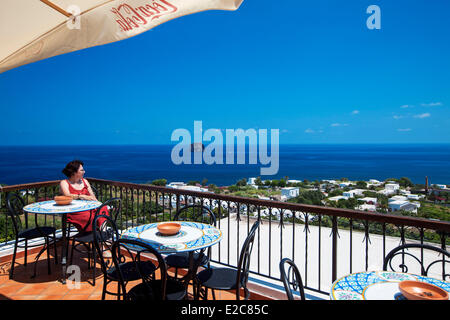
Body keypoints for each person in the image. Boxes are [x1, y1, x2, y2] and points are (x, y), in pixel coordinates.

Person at [60, 160, 107, 233]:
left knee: (103, 208)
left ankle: (103, 232)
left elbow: (92, 196)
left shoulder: (85, 181)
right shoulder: (64, 183)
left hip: (89, 208)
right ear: (74, 172)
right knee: (89, 217)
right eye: (82, 170)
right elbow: (67, 196)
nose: (84, 172)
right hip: (74, 211)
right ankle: (90, 234)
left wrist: (98, 204)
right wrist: (82, 196)